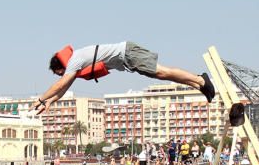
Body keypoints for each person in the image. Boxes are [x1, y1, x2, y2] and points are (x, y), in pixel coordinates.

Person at [34, 41, 216, 114]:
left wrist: (42, 98)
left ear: (61, 65)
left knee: (162, 72)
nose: (62, 75)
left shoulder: (74, 60)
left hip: (128, 54)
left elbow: (62, 83)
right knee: (161, 75)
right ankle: (199, 84)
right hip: (128, 58)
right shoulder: (75, 62)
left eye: (59, 72)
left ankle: (200, 80)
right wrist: (51, 101)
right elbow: (64, 87)